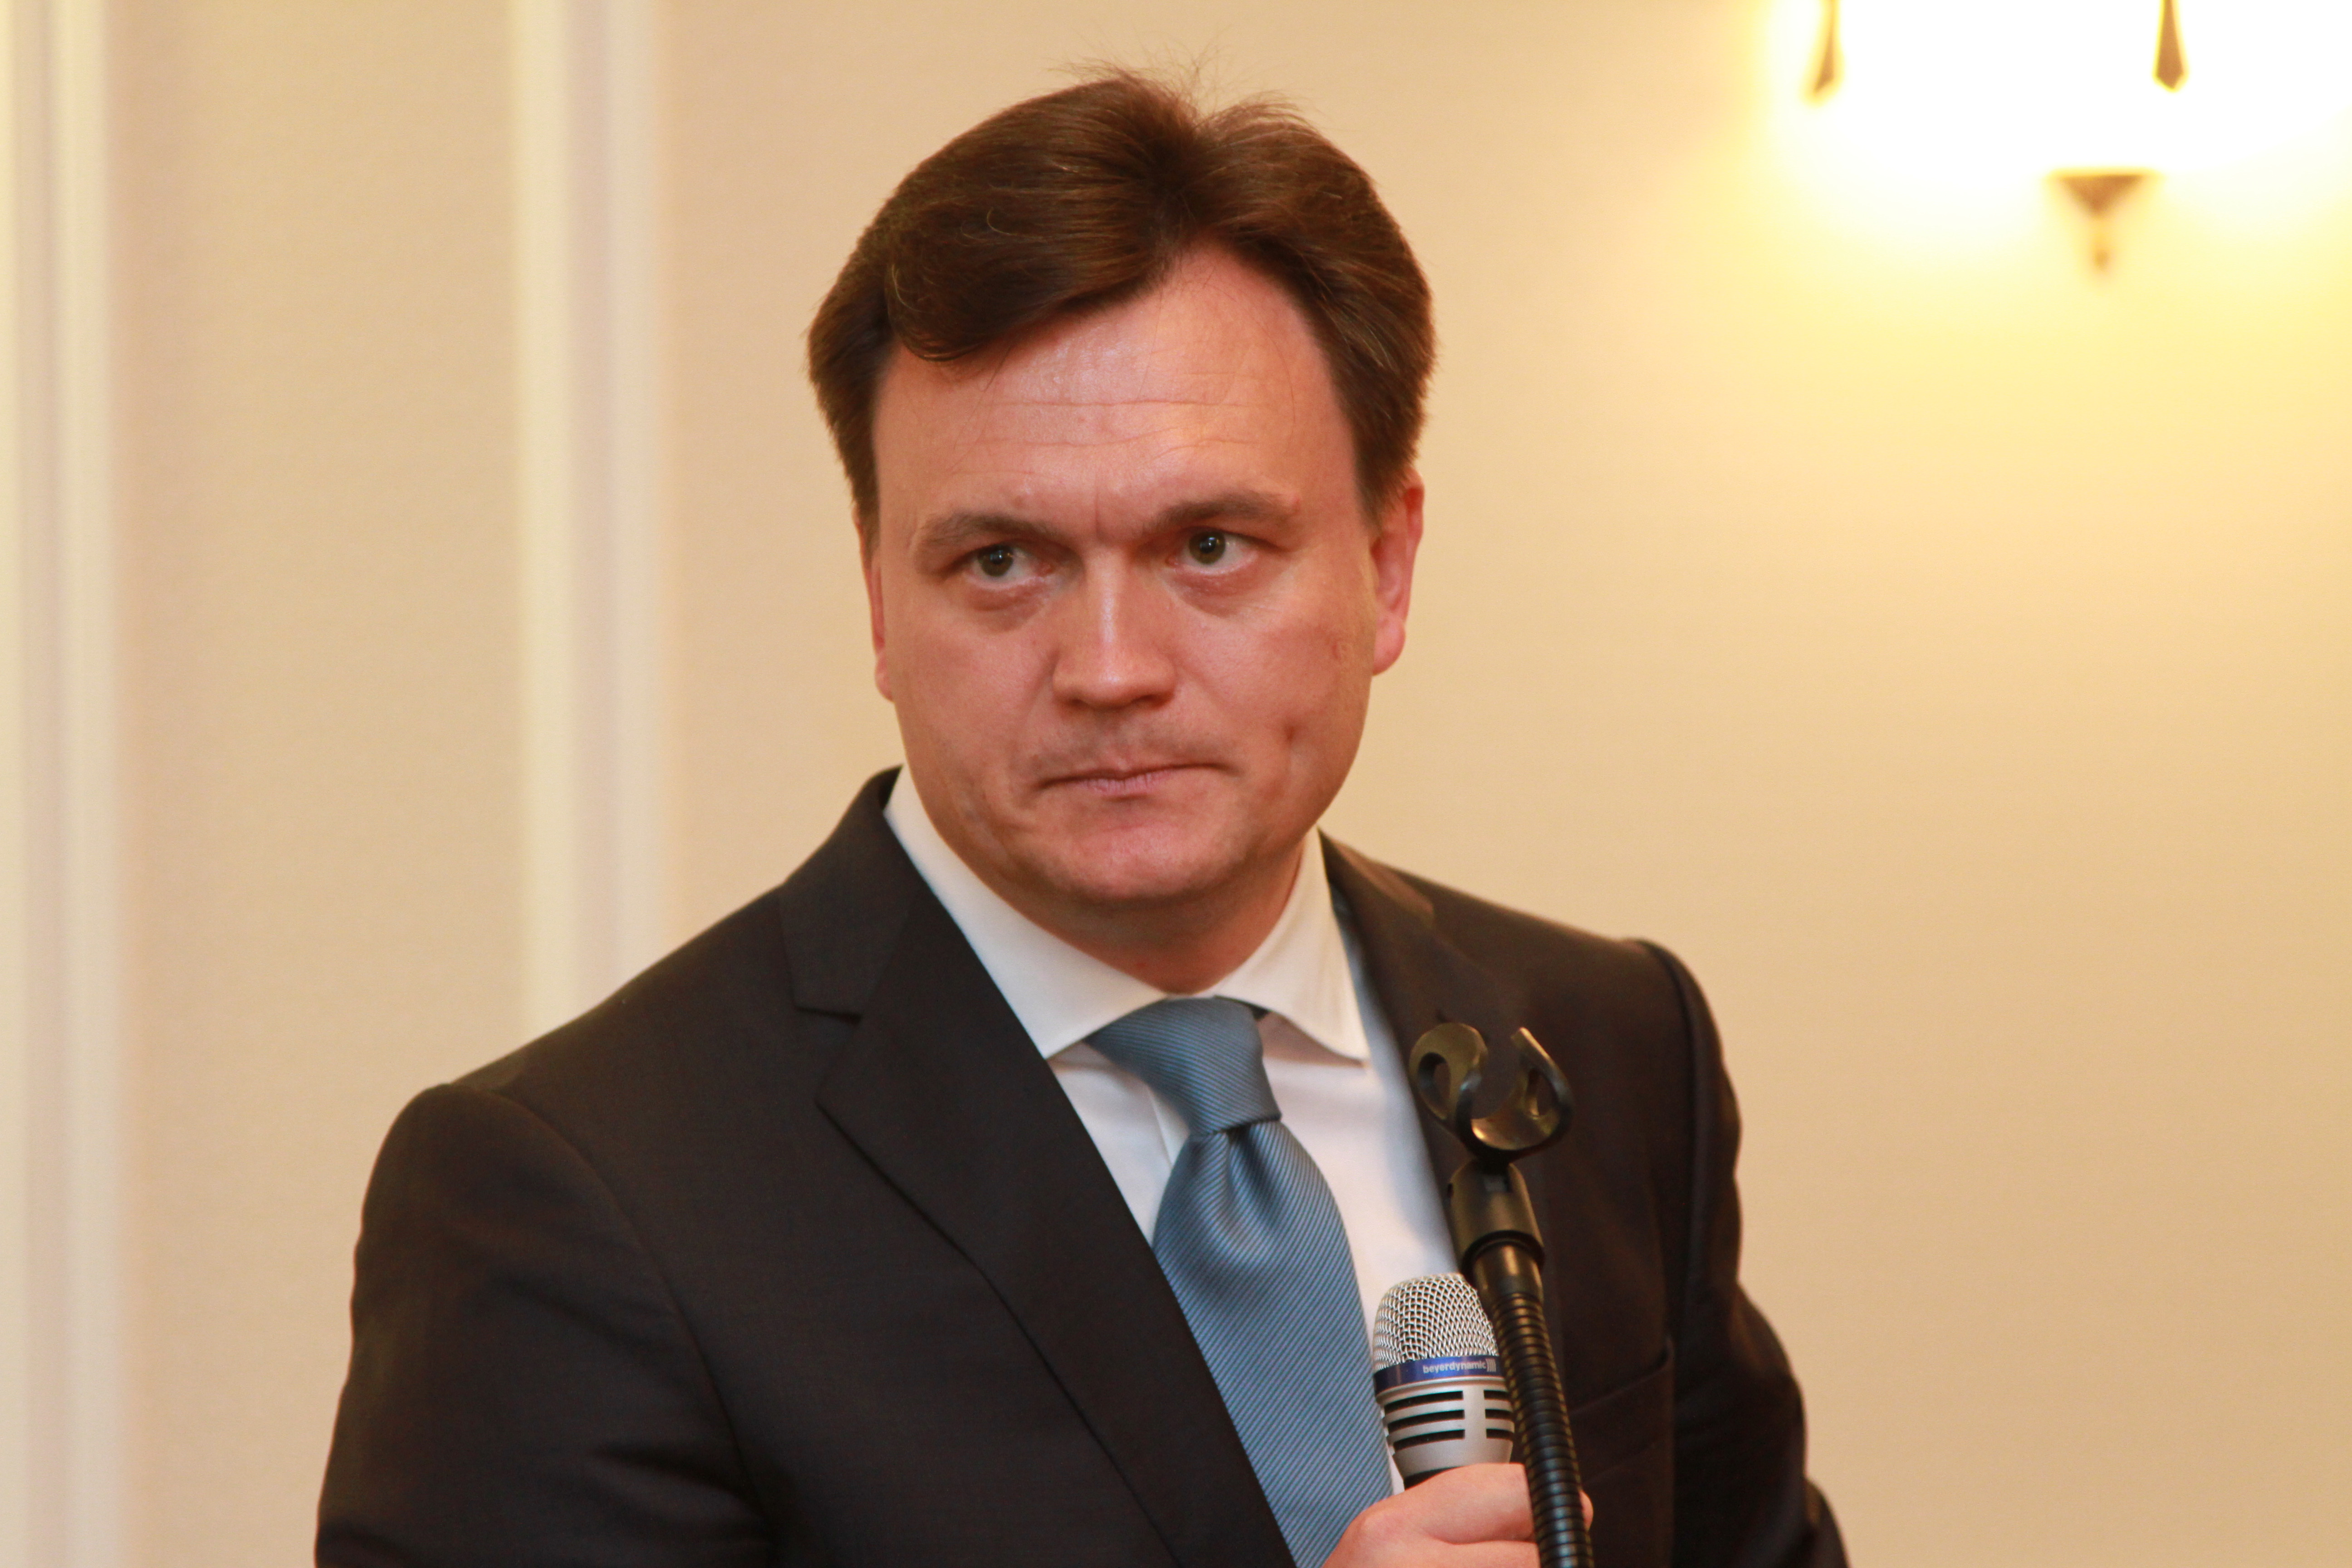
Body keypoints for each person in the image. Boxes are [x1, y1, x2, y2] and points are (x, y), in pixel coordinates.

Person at [318, 70, 1844, 1568]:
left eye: (1211, 544)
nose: (1110, 669)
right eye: (1001, 562)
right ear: (878, 599)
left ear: (1387, 568)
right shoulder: (579, 1195)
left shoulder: (1604, 1045)